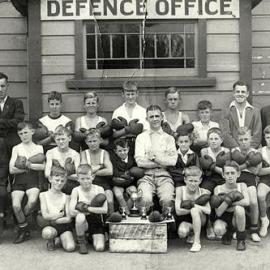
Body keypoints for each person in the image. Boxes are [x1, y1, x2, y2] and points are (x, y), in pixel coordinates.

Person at [135, 105, 177, 215]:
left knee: (167, 199)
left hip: (164, 176)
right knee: (145, 199)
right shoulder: (141, 137)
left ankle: (166, 228)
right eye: (151, 116)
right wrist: (162, 161)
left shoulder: (169, 138)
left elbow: (172, 161)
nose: (155, 119)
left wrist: (154, 158)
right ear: (147, 119)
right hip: (146, 176)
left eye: (157, 116)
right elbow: (140, 162)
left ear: (162, 117)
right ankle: (145, 227)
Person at [9, 121, 45, 243]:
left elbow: (43, 166)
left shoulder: (38, 147)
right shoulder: (16, 148)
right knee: (16, 205)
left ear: (32, 132)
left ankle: (22, 225)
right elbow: (12, 169)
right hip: (18, 181)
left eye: (25, 132)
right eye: (21, 133)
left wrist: (27, 164)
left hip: (33, 180)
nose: (23, 135)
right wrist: (29, 165)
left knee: (32, 201)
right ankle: (24, 229)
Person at [0, 72, 24, 234]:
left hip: (12, 147)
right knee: (1, 184)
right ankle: (2, 219)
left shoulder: (16, 103)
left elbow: (17, 122)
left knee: (15, 182)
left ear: (7, 86)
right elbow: (11, 123)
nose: (0, 89)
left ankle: (19, 222)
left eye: (2, 86)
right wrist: (7, 124)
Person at [230, 127, 262, 242]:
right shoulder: (234, 150)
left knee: (253, 201)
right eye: (241, 139)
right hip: (236, 178)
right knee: (236, 201)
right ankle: (236, 228)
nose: (244, 142)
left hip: (250, 178)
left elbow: (256, 171)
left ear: (251, 139)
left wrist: (242, 165)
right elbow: (232, 165)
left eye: (246, 139)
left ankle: (254, 230)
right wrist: (248, 164)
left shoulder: (255, 152)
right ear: (237, 140)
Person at [199, 127, 230, 239]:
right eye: (211, 138)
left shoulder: (226, 151)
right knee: (204, 194)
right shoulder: (204, 151)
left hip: (222, 179)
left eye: (216, 138)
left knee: (219, 196)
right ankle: (208, 225)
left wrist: (214, 167)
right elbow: (205, 166)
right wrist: (216, 168)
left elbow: (226, 169)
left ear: (221, 140)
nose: (213, 141)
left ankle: (219, 222)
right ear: (207, 140)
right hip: (209, 178)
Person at [70, 164, 108, 254]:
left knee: (99, 248)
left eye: (88, 178)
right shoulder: (76, 190)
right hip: (83, 223)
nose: (85, 181)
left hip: (95, 220)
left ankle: (90, 237)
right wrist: (82, 212)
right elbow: (71, 212)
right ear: (77, 179)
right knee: (80, 217)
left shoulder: (99, 189)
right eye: (82, 179)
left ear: (93, 177)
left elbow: (105, 210)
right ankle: (81, 242)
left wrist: (87, 208)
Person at [212, 161, 249, 251]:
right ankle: (228, 232)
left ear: (238, 174)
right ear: (223, 175)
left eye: (233, 173)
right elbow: (219, 212)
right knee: (218, 230)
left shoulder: (242, 185)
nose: (230, 175)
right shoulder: (218, 188)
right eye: (227, 173)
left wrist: (230, 202)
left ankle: (241, 240)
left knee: (239, 209)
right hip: (223, 217)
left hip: (237, 218)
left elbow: (247, 202)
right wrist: (229, 199)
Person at [39, 165, 75, 252]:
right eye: (57, 180)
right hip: (50, 226)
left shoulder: (66, 197)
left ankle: (59, 238)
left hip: (63, 226)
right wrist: (59, 215)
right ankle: (51, 240)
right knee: (47, 233)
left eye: (62, 181)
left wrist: (53, 219)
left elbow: (68, 219)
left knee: (70, 247)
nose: (59, 183)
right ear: (50, 179)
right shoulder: (43, 195)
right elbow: (45, 215)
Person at [175, 166, 211, 252]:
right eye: (190, 181)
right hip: (186, 220)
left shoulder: (203, 191)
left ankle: (197, 242)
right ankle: (192, 233)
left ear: (200, 181)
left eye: (195, 181)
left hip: (201, 218)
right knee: (182, 232)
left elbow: (208, 210)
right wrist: (191, 209)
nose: (193, 184)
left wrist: (194, 206)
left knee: (194, 210)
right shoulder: (180, 190)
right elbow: (178, 211)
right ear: (185, 180)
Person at [80, 128, 114, 215]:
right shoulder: (84, 153)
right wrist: (100, 166)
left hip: (102, 182)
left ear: (100, 140)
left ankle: (110, 223)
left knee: (109, 199)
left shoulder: (104, 153)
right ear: (86, 142)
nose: (92, 144)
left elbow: (110, 171)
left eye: (95, 141)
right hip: (88, 182)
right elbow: (83, 171)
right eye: (90, 141)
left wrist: (93, 171)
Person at [221, 81, 261, 149]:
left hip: (251, 151)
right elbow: (225, 134)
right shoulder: (226, 112)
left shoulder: (255, 112)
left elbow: (257, 135)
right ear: (233, 93)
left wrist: (249, 149)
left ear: (247, 94)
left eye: (243, 92)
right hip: (233, 150)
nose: (240, 94)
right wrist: (237, 150)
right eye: (237, 91)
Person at [110, 138, 142, 215]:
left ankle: (125, 211)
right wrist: (125, 176)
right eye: (119, 151)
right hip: (118, 184)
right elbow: (114, 172)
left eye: (124, 150)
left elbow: (135, 173)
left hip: (130, 183)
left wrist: (130, 177)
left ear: (128, 149)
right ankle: (126, 213)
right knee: (118, 195)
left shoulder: (132, 159)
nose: (123, 153)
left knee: (134, 193)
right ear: (115, 151)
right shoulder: (113, 160)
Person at [45, 125, 80, 195]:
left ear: (69, 138)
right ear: (55, 140)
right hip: (55, 184)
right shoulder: (50, 152)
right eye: (58, 139)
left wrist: (61, 175)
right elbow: (47, 173)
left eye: (63, 139)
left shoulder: (75, 154)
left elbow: (78, 175)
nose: (61, 142)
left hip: (70, 185)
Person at [257, 125, 270, 237]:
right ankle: (264, 220)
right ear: (265, 138)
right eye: (268, 137)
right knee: (260, 195)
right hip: (266, 179)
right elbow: (259, 172)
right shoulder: (261, 151)